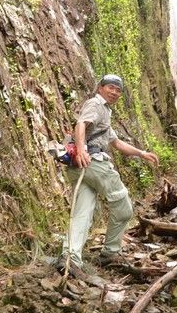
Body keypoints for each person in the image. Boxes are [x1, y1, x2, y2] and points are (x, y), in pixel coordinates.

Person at [58, 74, 159, 277]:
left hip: (80, 167)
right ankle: (110, 253)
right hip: (93, 163)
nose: (114, 92)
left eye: (118, 90)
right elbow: (81, 124)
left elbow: (116, 143)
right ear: (100, 88)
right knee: (123, 208)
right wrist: (81, 150)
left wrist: (141, 153)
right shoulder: (96, 104)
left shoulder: (105, 112)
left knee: (82, 213)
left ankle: (70, 258)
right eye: (111, 87)